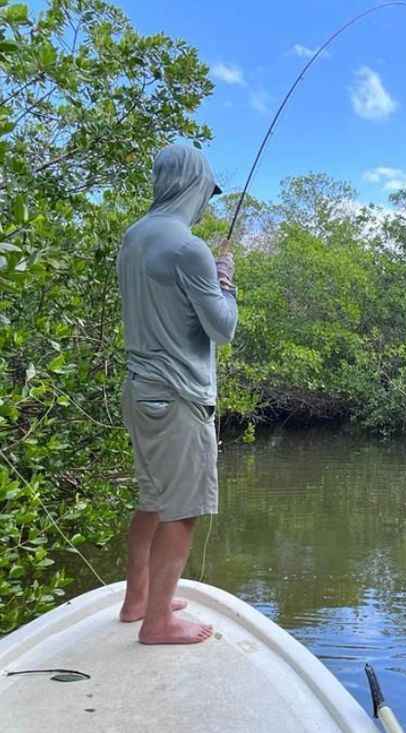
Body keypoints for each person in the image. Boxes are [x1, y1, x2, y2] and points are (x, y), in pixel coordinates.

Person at [116, 144, 238, 644]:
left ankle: (137, 599)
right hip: (178, 399)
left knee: (152, 500)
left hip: (140, 394)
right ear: (194, 185)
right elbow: (222, 328)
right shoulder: (188, 249)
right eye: (207, 191)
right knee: (181, 510)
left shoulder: (134, 237)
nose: (206, 202)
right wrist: (224, 278)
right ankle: (157, 622)